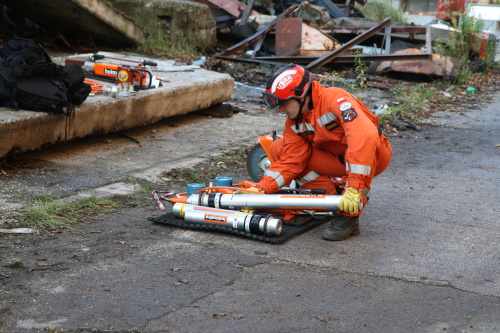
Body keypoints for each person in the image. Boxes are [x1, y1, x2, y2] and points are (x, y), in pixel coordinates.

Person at [240, 63, 392, 241]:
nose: (280, 110)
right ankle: (330, 199)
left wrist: (355, 187)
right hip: (337, 160)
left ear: (300, 95)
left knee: (360, 147)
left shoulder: (336, 100)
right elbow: (290, 161)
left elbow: (363, 138)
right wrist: (261, 190)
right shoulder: (295, 121)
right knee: (279, 148)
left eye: (283, 103)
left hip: (374, 154)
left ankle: (348, 217)